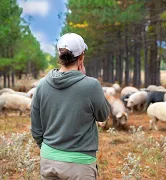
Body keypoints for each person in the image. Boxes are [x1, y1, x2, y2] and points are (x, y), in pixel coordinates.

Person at [31, 33, 110, 180]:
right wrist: (85, 79)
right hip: (79, 163)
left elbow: (36, 129)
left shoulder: (42, 85)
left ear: (59, 56)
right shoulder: (91, 85)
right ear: (81, 57)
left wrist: (51, 151)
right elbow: (103, 115)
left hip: (48, 159)